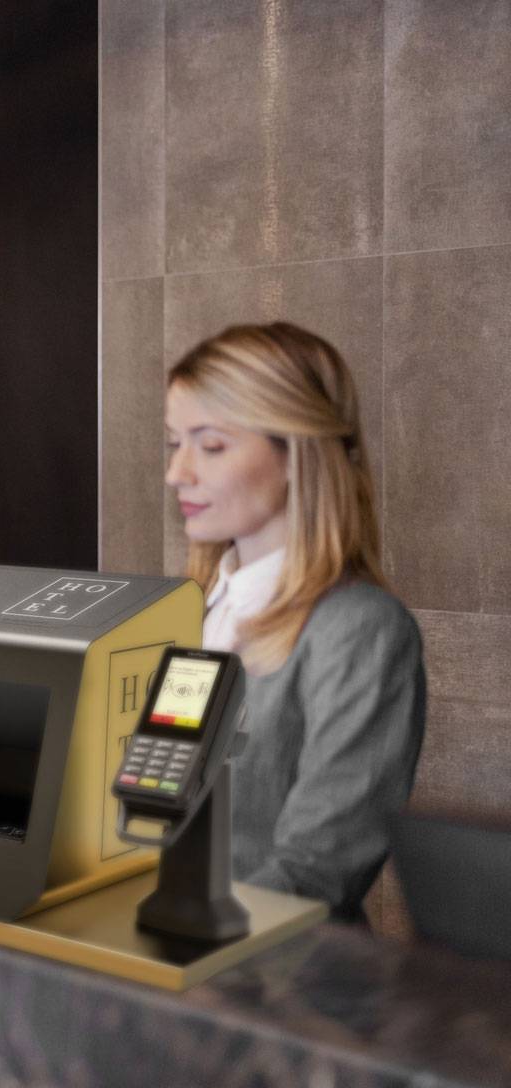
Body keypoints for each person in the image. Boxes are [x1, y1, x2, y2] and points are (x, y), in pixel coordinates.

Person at [164, 321, 425, 923]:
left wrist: (175, 940)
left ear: (295, 456)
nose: (178, 472)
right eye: (174, 444)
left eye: (211, 445)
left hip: (271, 968)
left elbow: (318, 867)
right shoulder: (194, 610)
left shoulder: (361, 629)